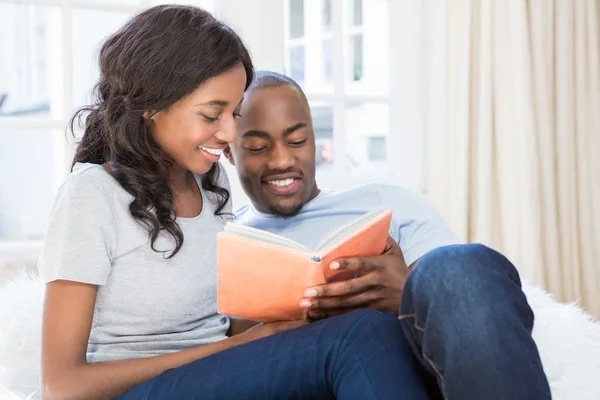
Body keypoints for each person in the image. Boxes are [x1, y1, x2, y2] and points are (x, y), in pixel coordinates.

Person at [37, 6, 436, 400]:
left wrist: (313, 309)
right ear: (151, 107)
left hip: (214, 377)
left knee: (366, 322)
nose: (230, 132)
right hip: (138, 392)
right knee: (359, 338)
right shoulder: (92, 195)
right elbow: (63, 386)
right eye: (213, 115)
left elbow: (214, 326)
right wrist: (237, 348)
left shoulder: (210, 184)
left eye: (234, 113)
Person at [226, 71, 553, 400]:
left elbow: (466, 297)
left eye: (297, 141)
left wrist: (404, 292)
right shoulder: (224, 239)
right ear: (228, 152)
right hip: (291, 378)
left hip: (409, 372)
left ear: (314, 140)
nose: (282, 160)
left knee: (458, 263)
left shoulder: (389, 202)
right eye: (257, 147)